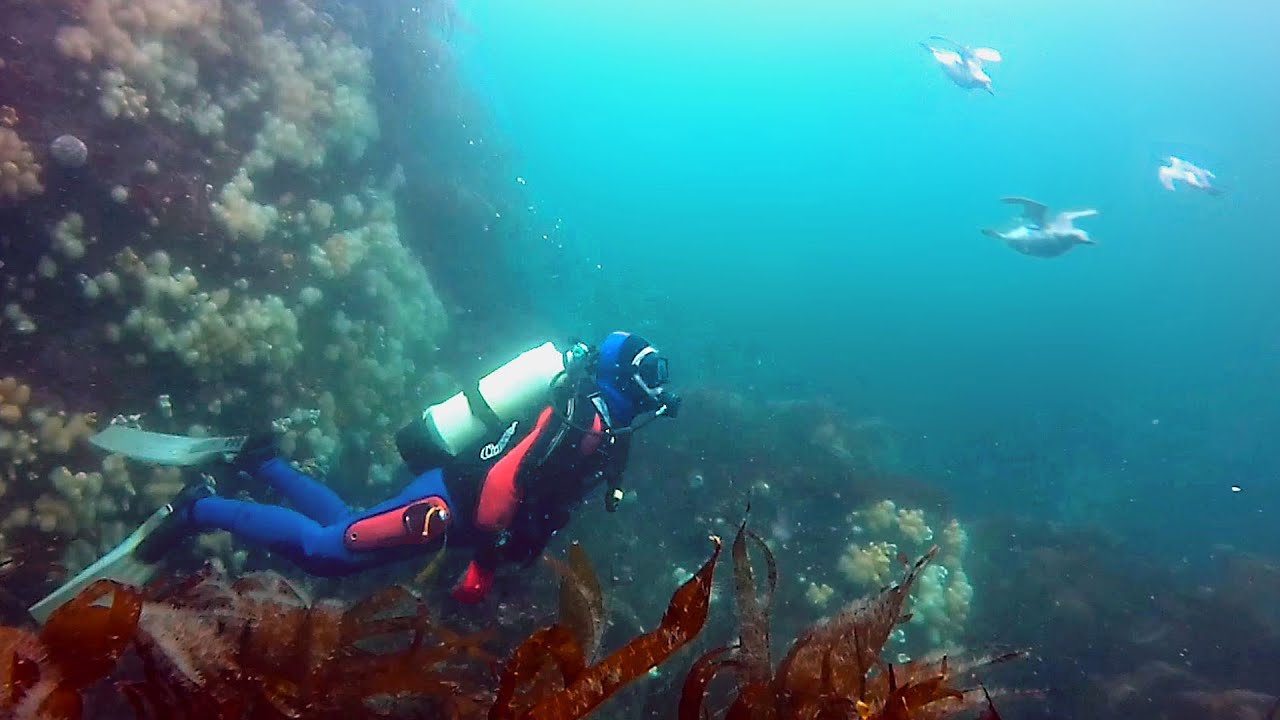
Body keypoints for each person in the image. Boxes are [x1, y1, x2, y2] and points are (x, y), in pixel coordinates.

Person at [138, 331, 681, 604]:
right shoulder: (581, 421)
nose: (659, 385)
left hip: (448, 507)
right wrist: (487, 564)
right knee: (328, 552)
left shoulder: (607, 431)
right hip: (444, 508)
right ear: (621, 373)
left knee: (346, 525)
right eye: (651, 370)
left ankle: (263, 465)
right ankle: (198, 507)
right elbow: (502, 484)